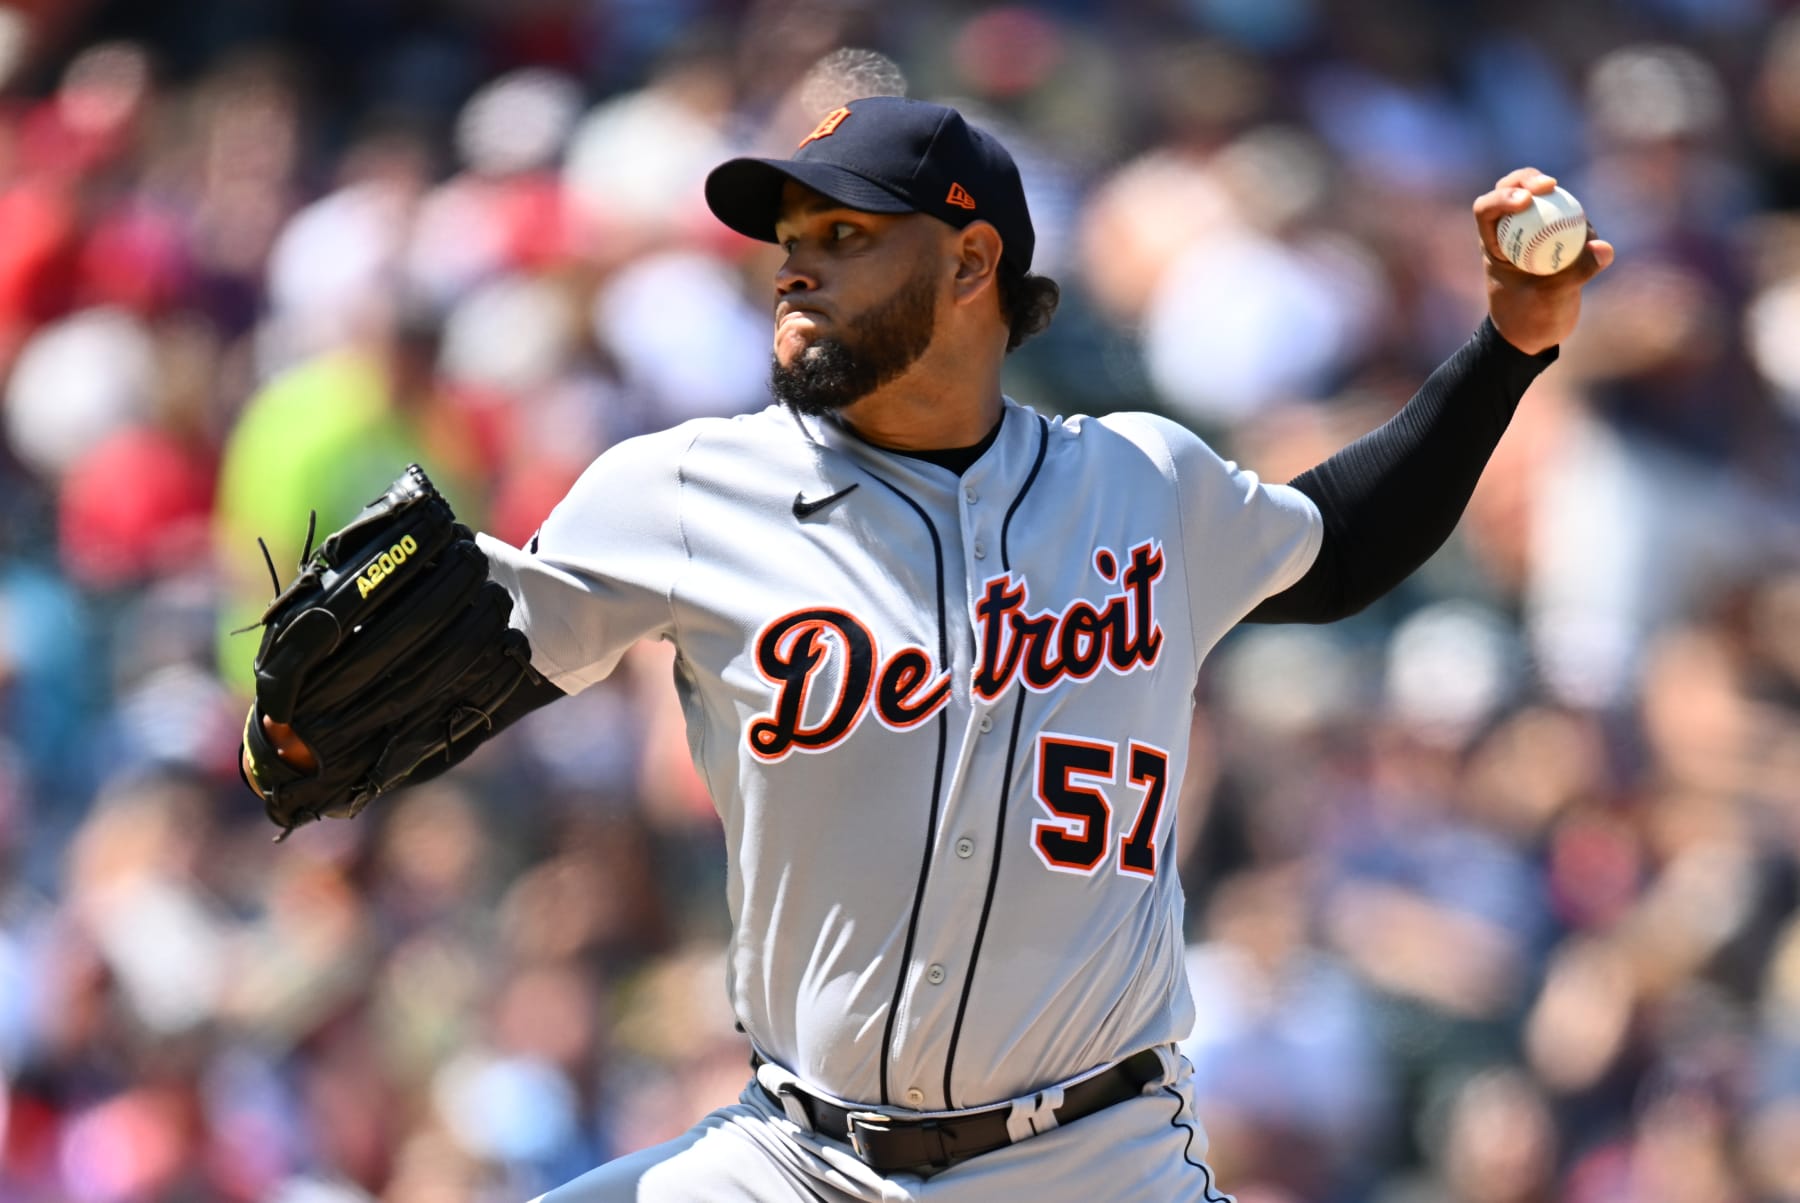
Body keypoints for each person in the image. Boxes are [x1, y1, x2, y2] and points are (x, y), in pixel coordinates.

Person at [246, 95, 1610, 1200]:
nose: (795, 263)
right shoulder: (684, 492)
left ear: (972, 262)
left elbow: (1342, 542)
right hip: (799, 1158)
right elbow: (483, 653)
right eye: (790, 234)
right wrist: (300, 733)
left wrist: (1507, 348)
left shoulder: (1138, 484)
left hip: (1095, 1160)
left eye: (844, 234)